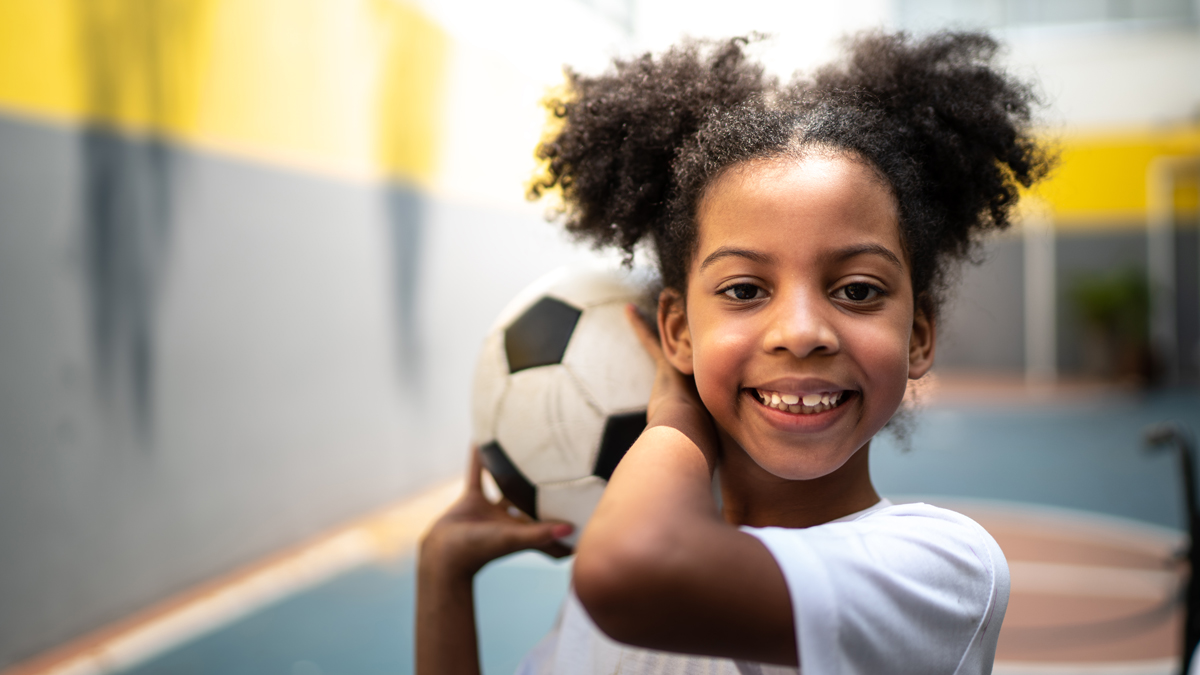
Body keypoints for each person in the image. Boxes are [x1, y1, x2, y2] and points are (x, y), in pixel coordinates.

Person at [417, 31, 1053, 674]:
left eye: (858, 290)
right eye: (745, 289)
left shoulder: (942, 568)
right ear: (679, 332)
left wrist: (675, 415)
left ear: (917, 335)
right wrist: (441, 579)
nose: (802, 332)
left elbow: (634, 570)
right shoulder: (637, 539)